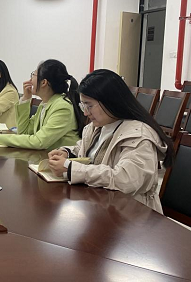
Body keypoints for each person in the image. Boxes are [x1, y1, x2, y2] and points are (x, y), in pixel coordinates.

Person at [46, 69, 173, 213]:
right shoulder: (97, 126)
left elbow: (125, 180)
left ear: (110, 101)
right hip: (101, 206)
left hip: (131, 214)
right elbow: (86, 150)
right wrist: (67, 153)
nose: (85, 113)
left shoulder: (139, 136)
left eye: (89, 105)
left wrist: (71, 169)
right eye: (83, 106)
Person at [0, 59, 85, 150]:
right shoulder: (45, 103)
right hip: (45, 156)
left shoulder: (62, 107)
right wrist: (26, 99)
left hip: (61, 159)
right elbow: (24, 132)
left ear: (43, 82)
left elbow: (39, 142)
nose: (30, 80)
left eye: (33, 75)